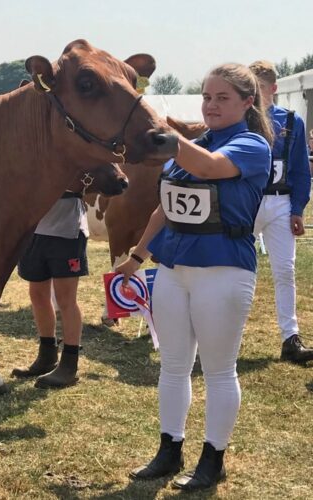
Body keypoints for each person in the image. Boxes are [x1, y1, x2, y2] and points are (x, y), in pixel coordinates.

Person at [118, 63, 272, 491]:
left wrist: (169, 137)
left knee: (219, 370)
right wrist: (137, 256)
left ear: (247, 102)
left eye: (222, 98)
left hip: (223, 267)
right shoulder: (195, 145)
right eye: (206, 96)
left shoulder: (251, 145)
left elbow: (207, 169)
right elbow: (166, 208)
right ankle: (169, 449)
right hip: (173, 267)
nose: (211, 105)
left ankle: (213, 457)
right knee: (172, 366)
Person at [249, 61, 313, 364]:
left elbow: (301, 168)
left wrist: (298, 208)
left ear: (274, 89)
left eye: (261, 88)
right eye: (251, 88)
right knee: (235, 269)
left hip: (280, 202)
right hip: (247, 202)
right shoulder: (241, 119)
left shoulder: (291, 121)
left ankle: (290, 337)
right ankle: (221, 333)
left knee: (285, 271)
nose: (257, 94)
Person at [11, 189, 89, 388]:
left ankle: (70, 365)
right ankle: (47, 356)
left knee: (66, 299)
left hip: (67, 231)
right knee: (37, 294)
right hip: (33, 230)